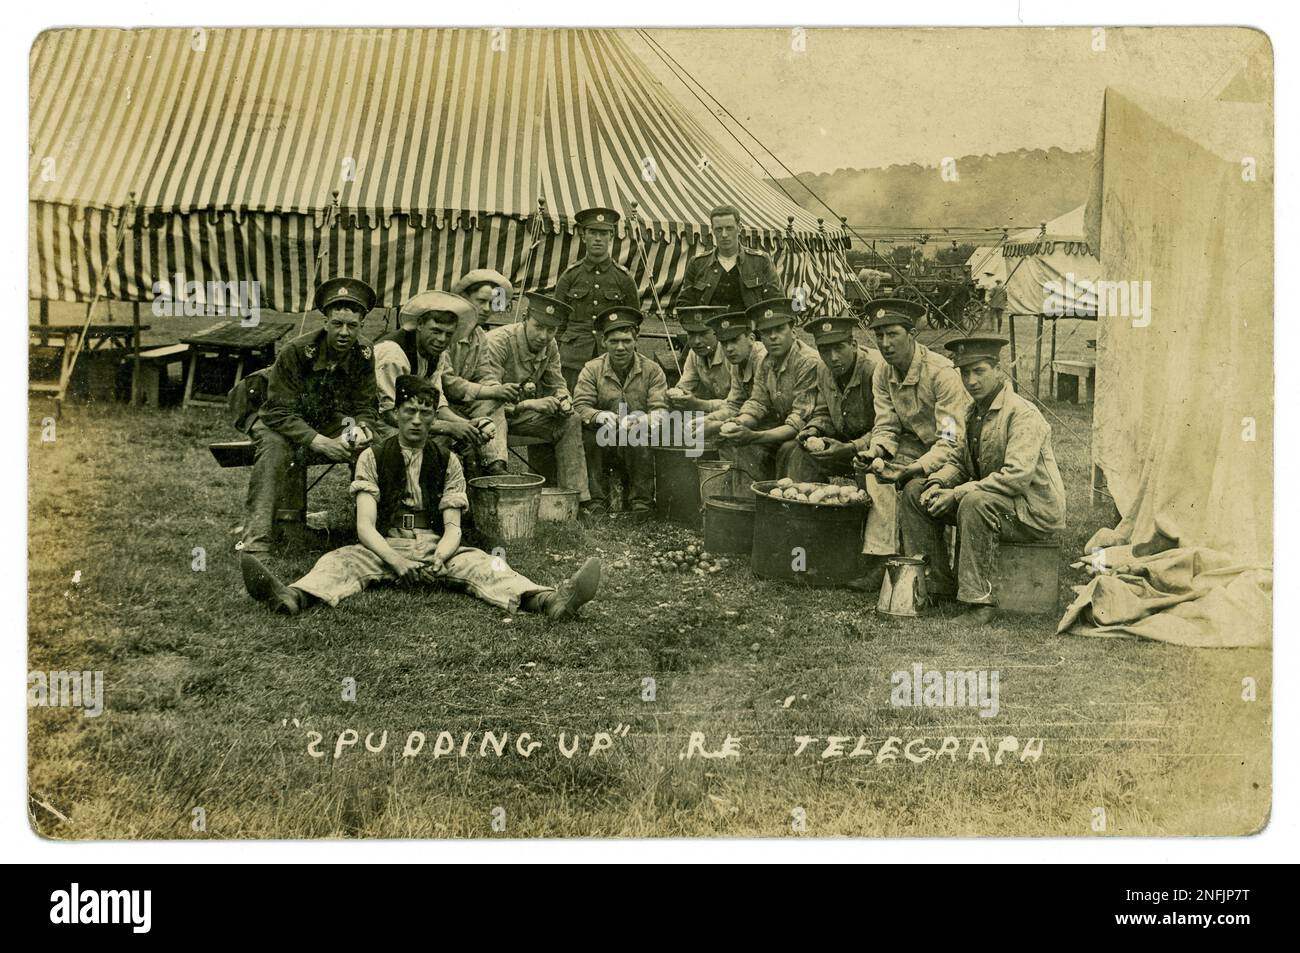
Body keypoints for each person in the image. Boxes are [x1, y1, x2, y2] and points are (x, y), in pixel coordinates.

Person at [239, 375, 601, 619]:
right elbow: (365, 527)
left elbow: (453, 525)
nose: (416, 420)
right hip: (384, 545)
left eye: (425, 414)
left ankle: (550, 599)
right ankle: (291, 596)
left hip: (435, 544)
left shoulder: (448, 461)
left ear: (433, 419)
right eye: (409, 412)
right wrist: (397, 562)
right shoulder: (373, 456)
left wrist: (442, 556)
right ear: (396, 414)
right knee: (338, 562)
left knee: (488, 566)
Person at [897, 336, 1066, 623]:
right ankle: (936, 586)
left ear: (999, 370)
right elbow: (959, 463)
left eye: (980, 371)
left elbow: (1016, 477)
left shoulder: (1022, 414)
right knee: (916, 491)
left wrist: (958, 493)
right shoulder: (971, 411)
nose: (972, 381)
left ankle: (979, 603)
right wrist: (937, 483)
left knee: (974, 502)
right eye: (965, 372)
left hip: (1032, 512)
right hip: (995, 503)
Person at [240, 277, 379, 554]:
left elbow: (366, 405)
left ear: (361, 324)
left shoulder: (364, 353)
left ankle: (378, 531)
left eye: (352, 326)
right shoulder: (297, 351)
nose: (344, 333)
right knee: (276, 450)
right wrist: (319, 442)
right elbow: (278, 411)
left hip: (320, 415)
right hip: (270, 413)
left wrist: (362, 428)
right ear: (325, 321)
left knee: (376, 446)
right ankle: (256, 542)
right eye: (337, 324)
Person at [853, 298, 971, 557]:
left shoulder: (942, 374)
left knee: (912, 485)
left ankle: (921, 561)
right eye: (879, 334)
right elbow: (885, 426)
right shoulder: (882, 372)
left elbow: (951, 441)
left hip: (954, 455)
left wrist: (911, 469)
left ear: (912, 334)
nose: (885, 344)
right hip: (914, 447)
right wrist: (876, 452)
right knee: (876, 471)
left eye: (893, 334)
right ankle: (881, 555)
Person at [478, 291, 590, 506]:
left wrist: (563, 400)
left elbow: (557, 383)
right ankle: (498, 473)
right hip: (488, 416)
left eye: (551, 330)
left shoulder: (550, 346)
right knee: (494, 407)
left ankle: (574, 498)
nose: (544, 336)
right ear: (524, 320)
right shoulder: (497, 342)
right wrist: (529, 404)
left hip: (520, 415)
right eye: (538, 327)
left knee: (571, 419)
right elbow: (488, 396)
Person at [372, 290, 498, 468]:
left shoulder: (435, 353)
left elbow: (437, 403)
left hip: (406, 416)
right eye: (436, 331)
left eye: (448, 334)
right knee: (432, 438)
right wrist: (448, 428)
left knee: (461, 437)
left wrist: (466, 424)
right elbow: (390, 414)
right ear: (420, 325)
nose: (442, 339)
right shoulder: (393, 353)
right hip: (375, 421)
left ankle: (464, 490)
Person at [718, 297, 830, 483]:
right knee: (739, 445)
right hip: (783, 429)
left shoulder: (807, 362)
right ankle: (750, 504)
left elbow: (800, 421)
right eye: (767, 332)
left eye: (779, 329)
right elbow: (757, 402)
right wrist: (740, 422)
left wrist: (755, 436)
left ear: (793, 332)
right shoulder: (766, 362)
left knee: (789, 450)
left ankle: (785, 505)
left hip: (814, 431)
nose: (773, 337)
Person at [572, 306, 669, 518]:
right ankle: (596, 501)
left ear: (636, 340)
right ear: (603, 342)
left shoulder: (652, 370)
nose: (620, 347)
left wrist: (644, 418)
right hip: (602, 434)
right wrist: (598, 415)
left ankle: (642, 503)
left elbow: (660, 408)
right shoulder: (592, 369)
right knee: (590, 439)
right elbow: (579, 406)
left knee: (639, 438)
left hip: (636, 435)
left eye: (626, 341)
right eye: (614, 341)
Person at [554, 207, 640, 393]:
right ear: (583, 236)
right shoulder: (570, 276)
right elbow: (557, 322)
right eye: (593, 233)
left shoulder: (623, 278)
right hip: (573, 357)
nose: (598, 239)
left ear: (611, 237)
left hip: (610, 357)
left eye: (603, 233)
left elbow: (633, 323)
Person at [787, 315, 883, 483]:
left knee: (868, 468)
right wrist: (813, 429)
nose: (833, 357)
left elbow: (887, 426)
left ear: (853, 345)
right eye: (824, 350)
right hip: (843, 444)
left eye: (839, 348)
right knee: (795, 452)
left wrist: (852, 447)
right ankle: (805, 504)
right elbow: (824, 410)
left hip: (876, 447)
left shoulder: (875, 369)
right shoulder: (823, 368)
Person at [674, 204, 782, 313]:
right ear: (712, 230)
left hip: (751, 329)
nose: (724, 234)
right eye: (719, 229)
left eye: (729, 228)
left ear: (739, 228)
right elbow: (684, 307)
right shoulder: (697, 263)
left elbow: (777, 302)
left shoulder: (760, 261)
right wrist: (701, 329)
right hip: (709, 329)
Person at [667, 305, 730, 412]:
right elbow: (685, 384)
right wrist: (677, 394)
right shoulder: (694, 353)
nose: (696, 341)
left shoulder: (731, 353)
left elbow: (738, 403)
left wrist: (700, 404)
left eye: (703, 334)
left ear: (717, 332)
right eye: (691, 334)